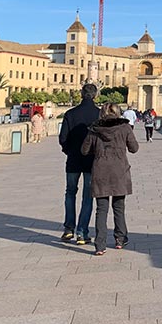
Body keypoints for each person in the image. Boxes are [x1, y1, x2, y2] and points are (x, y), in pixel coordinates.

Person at [81, 102, 139, 256]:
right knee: (119, 207)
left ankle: (100, 245)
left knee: (101, 210)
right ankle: (120, 238)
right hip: (119, 171)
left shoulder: (94, 129)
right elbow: (134, 148)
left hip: (101, 171)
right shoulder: (124, 127)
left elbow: (84, 150)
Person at [58, 83, 100, 244]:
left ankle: (69, 229)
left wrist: (69, 151)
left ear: (81, 94)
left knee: (70, 192)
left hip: (73, 160)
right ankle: (82, 232)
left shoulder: (70, 113)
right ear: (95, 95)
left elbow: (63, 138)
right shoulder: (98, 114)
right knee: (87, 197)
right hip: (91, 160)